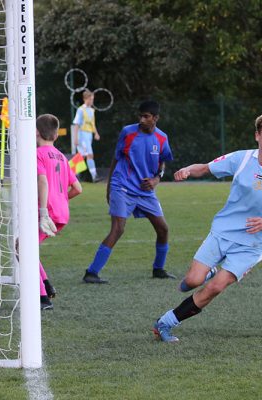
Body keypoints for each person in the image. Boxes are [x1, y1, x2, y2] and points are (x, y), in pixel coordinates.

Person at [153, 111, 262, 342]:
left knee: (216, 287)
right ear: (257, 135)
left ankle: (165, 323)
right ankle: (209, 271)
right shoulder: (242, 159)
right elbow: (205, 168)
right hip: (223, 231)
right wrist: (187, 170)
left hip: (252, 244)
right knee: (193, 281)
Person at [82, 100, 175, 284]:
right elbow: (116, 160)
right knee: (118, 229)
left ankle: (158, 269)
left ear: (156, 118)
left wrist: (156, 179)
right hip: (122, 186)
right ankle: (91, 272)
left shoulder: (162, 138)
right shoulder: (128, 132)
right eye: (140, 116)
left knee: (163, 229)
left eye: (146, 116)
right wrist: (109, 189)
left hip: (145, 192)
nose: (142, 119)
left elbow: (163, 163)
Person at [36, 114, 83, 310]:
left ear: (36, 133)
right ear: (56, 136)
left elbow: (43, 180)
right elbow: (78, 188)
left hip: (46, 212)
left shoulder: (37, 154)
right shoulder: (63, 157)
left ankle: (43, 298)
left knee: (22, 249)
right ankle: (46, 284)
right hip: (62, 212)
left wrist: (44, 209)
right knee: (27, 247)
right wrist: (61, 201)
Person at [72, 89, 101, 182]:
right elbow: (76, 124)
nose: (92, 101)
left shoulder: (92, 110)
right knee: (90, 155)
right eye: (90, 99)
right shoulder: (80, 110)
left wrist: (95, 133)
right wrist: (75, 138)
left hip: (89, 136)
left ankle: (71, 174)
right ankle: (94, 176)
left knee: (82, 156)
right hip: (82, 135)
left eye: (92, 99)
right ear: (85, 99)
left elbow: (92, 123)